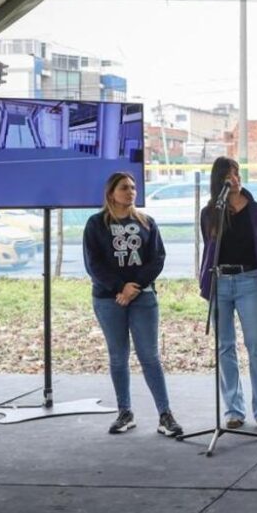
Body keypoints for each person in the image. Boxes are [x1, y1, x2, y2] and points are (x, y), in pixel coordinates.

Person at [83, 172, 183, 437]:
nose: (131, 192)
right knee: (118, 357)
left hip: (143, 298)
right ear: (111, 193)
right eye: (125, 188)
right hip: (108, 299)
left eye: (133, 187)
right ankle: (124, 412)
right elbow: (93, 264)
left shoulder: (147, 222)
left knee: (149, 356)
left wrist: (134, 287)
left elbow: (157, 258)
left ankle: (165, 415)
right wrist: (119, 288)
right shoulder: (96, 224)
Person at [198, 157, 257, 430]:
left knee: (255, 343)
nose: (235, 177)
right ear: (220, 178)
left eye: (238, 172)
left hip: (248, 280)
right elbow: (210, 249)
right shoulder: (210, 212)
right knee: (225, 346)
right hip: (220, 282)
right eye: (230, 173)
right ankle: (233, 410)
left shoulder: (256, 210)